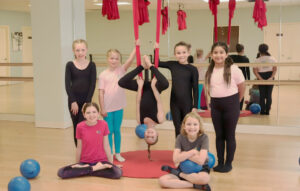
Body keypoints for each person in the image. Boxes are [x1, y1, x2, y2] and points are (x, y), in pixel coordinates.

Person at [205, 42, 245, 173]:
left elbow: (242, 87)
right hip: (216, 105)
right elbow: (210, 88)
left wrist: (237, 101)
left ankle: (228, 163)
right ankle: (220, 162)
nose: (218, 55)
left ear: (226, 54)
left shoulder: (234, 69)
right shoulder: (210, 69)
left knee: (229, 135)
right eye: (215, 52)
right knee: (219, 135)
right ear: (211, 54)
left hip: (231, 104)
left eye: (221, 52)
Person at [118, 55, 169, 159]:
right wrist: (153, 87)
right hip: (155, 90)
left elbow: (138, 103)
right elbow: (159, 102)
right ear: (157, 134)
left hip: (143, 89)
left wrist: (140, 86)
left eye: (147, 137)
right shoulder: (160, 120)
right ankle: (150, 66)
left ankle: (141, 66)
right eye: (152, 136)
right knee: (165, 83)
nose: (149, 134)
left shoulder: (139, 121)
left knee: (121, 82)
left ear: (144, 134)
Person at [57, 102, 122, 179]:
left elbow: (107, 146)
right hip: (85, 162)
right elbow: (79, 148)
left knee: (117, 173)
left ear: (98, 113)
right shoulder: (79, 126)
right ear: (84, 115)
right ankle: (95, 169)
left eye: (94, 112)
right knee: (61, 172)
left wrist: (112, 164)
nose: (91, 115)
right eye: (88, 113)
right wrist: (77, 164)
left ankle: (86, 171)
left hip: (101, 161)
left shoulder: (104, 124)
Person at [98, 42, 138, 162]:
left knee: (117, 130)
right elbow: (100, 93)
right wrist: (102, 108)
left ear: (119, 60)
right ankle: (109, 153)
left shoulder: (121, 70)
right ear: (107, 59)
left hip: (119, 107)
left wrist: (136, 47)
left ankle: (118, 153)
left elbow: (130, 60)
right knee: (109, 132)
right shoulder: (103, 75)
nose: (114, 60)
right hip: (107, 108)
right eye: (112, 58)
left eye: (116, 58)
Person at [159, 112, 211, 191]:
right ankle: (195, 185)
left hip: (200, 169)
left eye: (195, 124)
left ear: (199, 126)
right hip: (183, 168)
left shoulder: (204, 138)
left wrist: (183, 154)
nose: (192, 127)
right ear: (184, 126)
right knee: (162, 181)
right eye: (189, 124)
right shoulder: (180, 137)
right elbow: (175, 159)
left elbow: (201, 161)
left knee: (205, 179)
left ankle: (179, 175)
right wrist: (192, 152)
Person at [158, 41, 199, 137]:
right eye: (178, 53)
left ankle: (187, 148)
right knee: (177, 127)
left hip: (187, 103)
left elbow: (195, 89)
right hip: (174, 103)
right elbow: (157, 63)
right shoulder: (173, 65)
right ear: (175, 54)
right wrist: (156, 49)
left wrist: (195, 106)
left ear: (188, 53)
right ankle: (179, 149)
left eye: (184, 52)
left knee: (187, 127)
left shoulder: (193, 69)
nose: (181, 55)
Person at [65, 39, 97, 146]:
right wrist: (73, 101)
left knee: (84, 125)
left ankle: (87, 150)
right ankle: (79, 152)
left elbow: (92, 85)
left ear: (86, 50)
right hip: (73, 101)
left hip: (86, 101)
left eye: (82, 50)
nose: (80, 53)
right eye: (77, 50)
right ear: (74, 51)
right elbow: (67, 85)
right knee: (77, 126)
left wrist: (87, 103)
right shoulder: (69, 65)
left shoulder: (92, 65)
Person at [253, 43, 277, 115]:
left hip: (261, 76)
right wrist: (271, 77)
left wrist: (260, 78)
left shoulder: (257, 60)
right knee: (269, 95)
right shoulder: (272, 59)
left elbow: (255, 71)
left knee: (262, 95)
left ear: (259, 50)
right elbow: (275, 69)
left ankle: (262, 111)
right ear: (267, 50)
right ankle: (267, 111)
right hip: (270, 76)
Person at [230, 43, 250, 110]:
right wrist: (249, 79)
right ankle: (240, 108)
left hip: (233, 76)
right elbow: (247, 70)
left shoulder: (232, 57)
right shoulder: (246, 59)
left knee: (233, 92)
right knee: (241, 92)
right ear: (243, 50)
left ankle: (233, 107)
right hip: (242, 77)